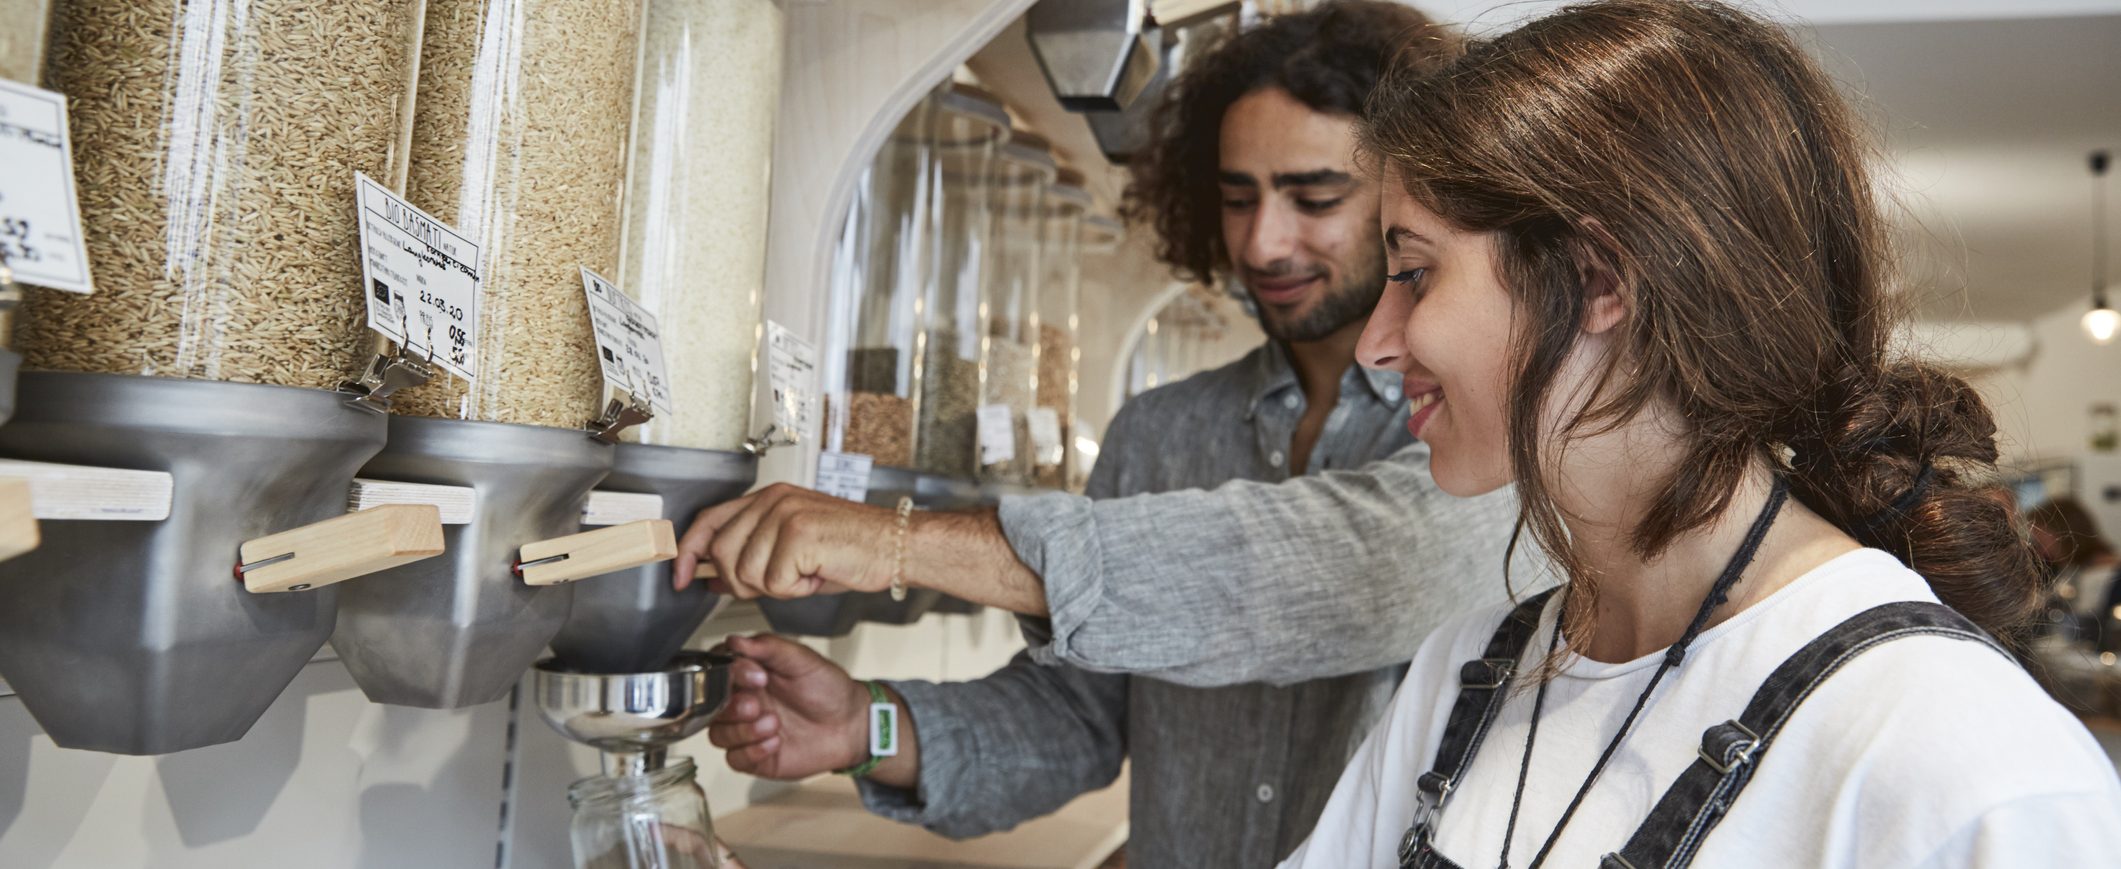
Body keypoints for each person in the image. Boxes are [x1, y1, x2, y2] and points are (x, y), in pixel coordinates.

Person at [1272, 2, 2121, 865]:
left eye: (1414, 273)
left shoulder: (1959, 758)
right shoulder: (1464, 678)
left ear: (1599, 277)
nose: (1375, 343)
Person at [691, 5, 1520, 865]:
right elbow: (1077, 719)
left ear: (1408, 203)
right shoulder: (1162, 430)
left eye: (1314, 197)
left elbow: (1330, 573)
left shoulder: (1483, 426)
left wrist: (899, 541)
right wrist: (866, 723)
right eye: (1237, 198)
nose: (1265, 241)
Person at [2028, 497, 2121, 647]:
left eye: (2042, 540)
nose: (2039, 549)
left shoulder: (2107, 574)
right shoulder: (2067, 569)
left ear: (2063, 533)